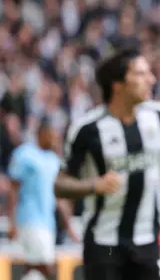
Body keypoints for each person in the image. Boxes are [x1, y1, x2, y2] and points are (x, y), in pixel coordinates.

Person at [54, 48, 160, 280]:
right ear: (117, 85)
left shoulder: (159, 116)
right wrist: (94, 186)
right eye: (140, 74)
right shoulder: (87, 129)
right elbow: (60, 185)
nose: (152, 80)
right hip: (104, 244)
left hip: (147, 240)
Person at [8, 119, 77, 280]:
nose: (55, 140)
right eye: (53, 136)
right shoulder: (24, 154)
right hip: (30, 219)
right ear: (42, 133)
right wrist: (12, 222)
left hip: (47, 222)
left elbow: (58, 197)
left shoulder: (52, 160)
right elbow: (13, 189)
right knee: (46, 267)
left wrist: (69, 226)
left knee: (34, 268)